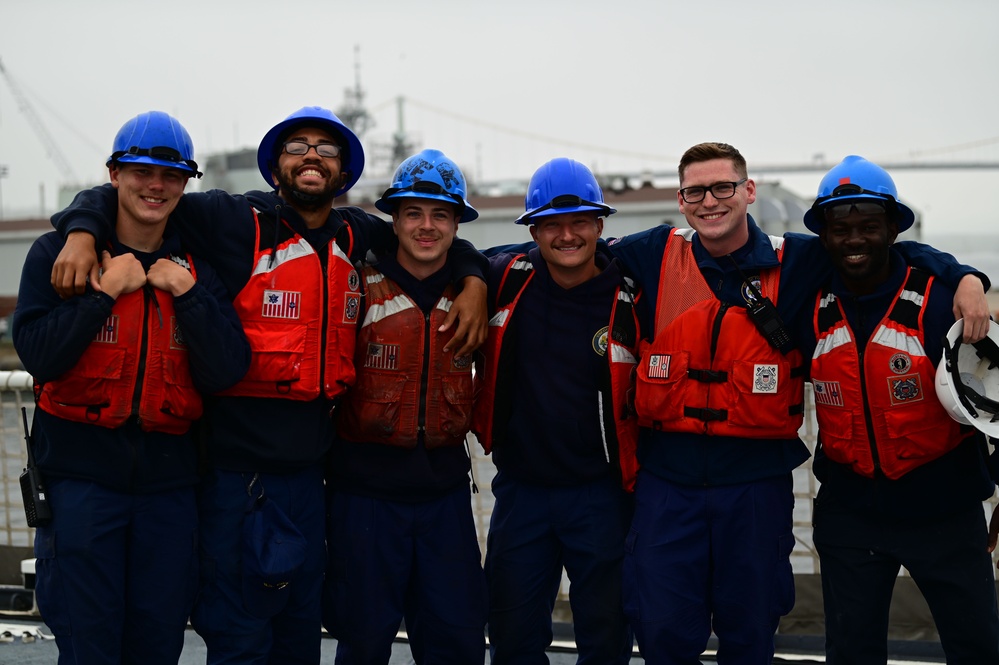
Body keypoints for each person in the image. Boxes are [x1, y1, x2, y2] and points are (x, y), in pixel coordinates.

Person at [47, 107, 487, 665]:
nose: (311, 156)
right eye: (297, 146)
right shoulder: (233, 222)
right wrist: (82, 230)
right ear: (275, 165)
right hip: (237, 478)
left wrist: (472, 277)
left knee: (298, 631)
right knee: (240, 632)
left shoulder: (355, 233)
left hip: (311, 478)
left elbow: (432, 234)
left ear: (343, 170)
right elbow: (143, 197)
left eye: (326, 149)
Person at [603, 142, 991, 664]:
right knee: (661, 627)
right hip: (671, 486)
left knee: (751, 628)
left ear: (748, 192)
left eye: (723, 187)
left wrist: (966, 278)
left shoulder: (801, 261)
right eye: (696, 190)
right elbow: (570, 249)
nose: (710, 201)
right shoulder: (652, 253)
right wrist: (472, 276)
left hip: (761, 487)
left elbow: (885, 250)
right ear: (680, 198)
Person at [12, 111, 250, 664]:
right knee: (88, 644)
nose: (156, 185)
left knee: (157, 643)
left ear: (186, 182)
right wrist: (102, 296)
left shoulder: (196, 267)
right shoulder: (58, 255)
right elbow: (39, 356)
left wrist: (189, 295)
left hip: (169, 493)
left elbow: (225, 370)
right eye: (142, 171)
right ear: (114, 174)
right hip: (79, 489)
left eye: (171, 174)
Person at [800, 155, 999, 664]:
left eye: (869, 226)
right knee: (850, 652)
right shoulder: (807, 303)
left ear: (893, 228)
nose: (854, 239)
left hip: (945, 509)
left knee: (977, 646)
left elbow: (994, 403)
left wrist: (969, 278)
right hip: (849, 513)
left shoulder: (943, 302)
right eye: (840, 228)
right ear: (823, 235)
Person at [323, 149, 488, 664]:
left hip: (445, 499)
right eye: (413, 212)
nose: (426, 226)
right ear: (392, 218)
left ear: (457, 222)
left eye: (441, 214)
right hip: (363, 499)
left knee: (457, 643)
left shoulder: (481, 289)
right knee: (363, 642)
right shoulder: (353, 281)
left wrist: (476, 279)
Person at [473, 157, 639, 663]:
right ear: (533, 230)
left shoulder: (632, 296)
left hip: (603, 495)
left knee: (606, 638)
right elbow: (456, 257)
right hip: (523, 493)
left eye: (580, 223)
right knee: (512, 635)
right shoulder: (505, 279)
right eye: (551, 225)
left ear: (600, 226)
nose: (567, 235)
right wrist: (471, 278)